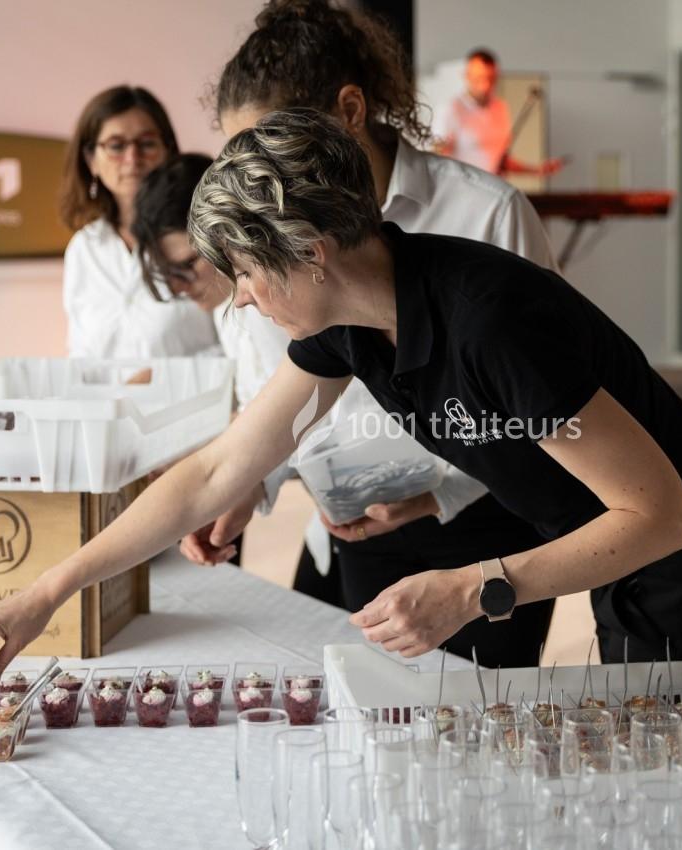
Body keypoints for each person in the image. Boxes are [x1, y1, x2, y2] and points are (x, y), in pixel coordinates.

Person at [0, 110, 682, 691]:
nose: (239, 300)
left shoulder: (491, 323)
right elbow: (216, 472)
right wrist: (46, 590)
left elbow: (661, 516)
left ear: (310, 254)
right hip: (617, 544)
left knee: (681, 790)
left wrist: (473, 588)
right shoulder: (350, 324)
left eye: (244, 273)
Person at [188, 0, 558, 664]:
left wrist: (435, 492)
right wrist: (253, 485)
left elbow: (545, 411)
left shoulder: (485, 214)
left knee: (470, 734)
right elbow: (278, 394)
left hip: (481, 530)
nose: (257, 173)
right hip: (346, 533)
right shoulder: (277, 246)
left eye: (273, 141)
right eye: (241, 153)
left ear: (350, 111)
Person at [60, 85, 216, 359]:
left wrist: (156, 378)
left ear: (168, 150)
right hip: (106, 402)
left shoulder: (203, 229)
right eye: (116, 146)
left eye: (146, 144)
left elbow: (239, 342)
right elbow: (80, 352)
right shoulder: (84, 249)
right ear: (91, 160)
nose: (132, 159)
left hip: (197, 400)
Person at [434, 48, 566, 178]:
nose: (485, 85)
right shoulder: (451, 109)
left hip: (495, 189)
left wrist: (536, 170)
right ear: (467, 76)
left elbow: (500, 160)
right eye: (479, 78)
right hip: (465, 190)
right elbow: (438, 159)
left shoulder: (500, 107)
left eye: (490, 79)